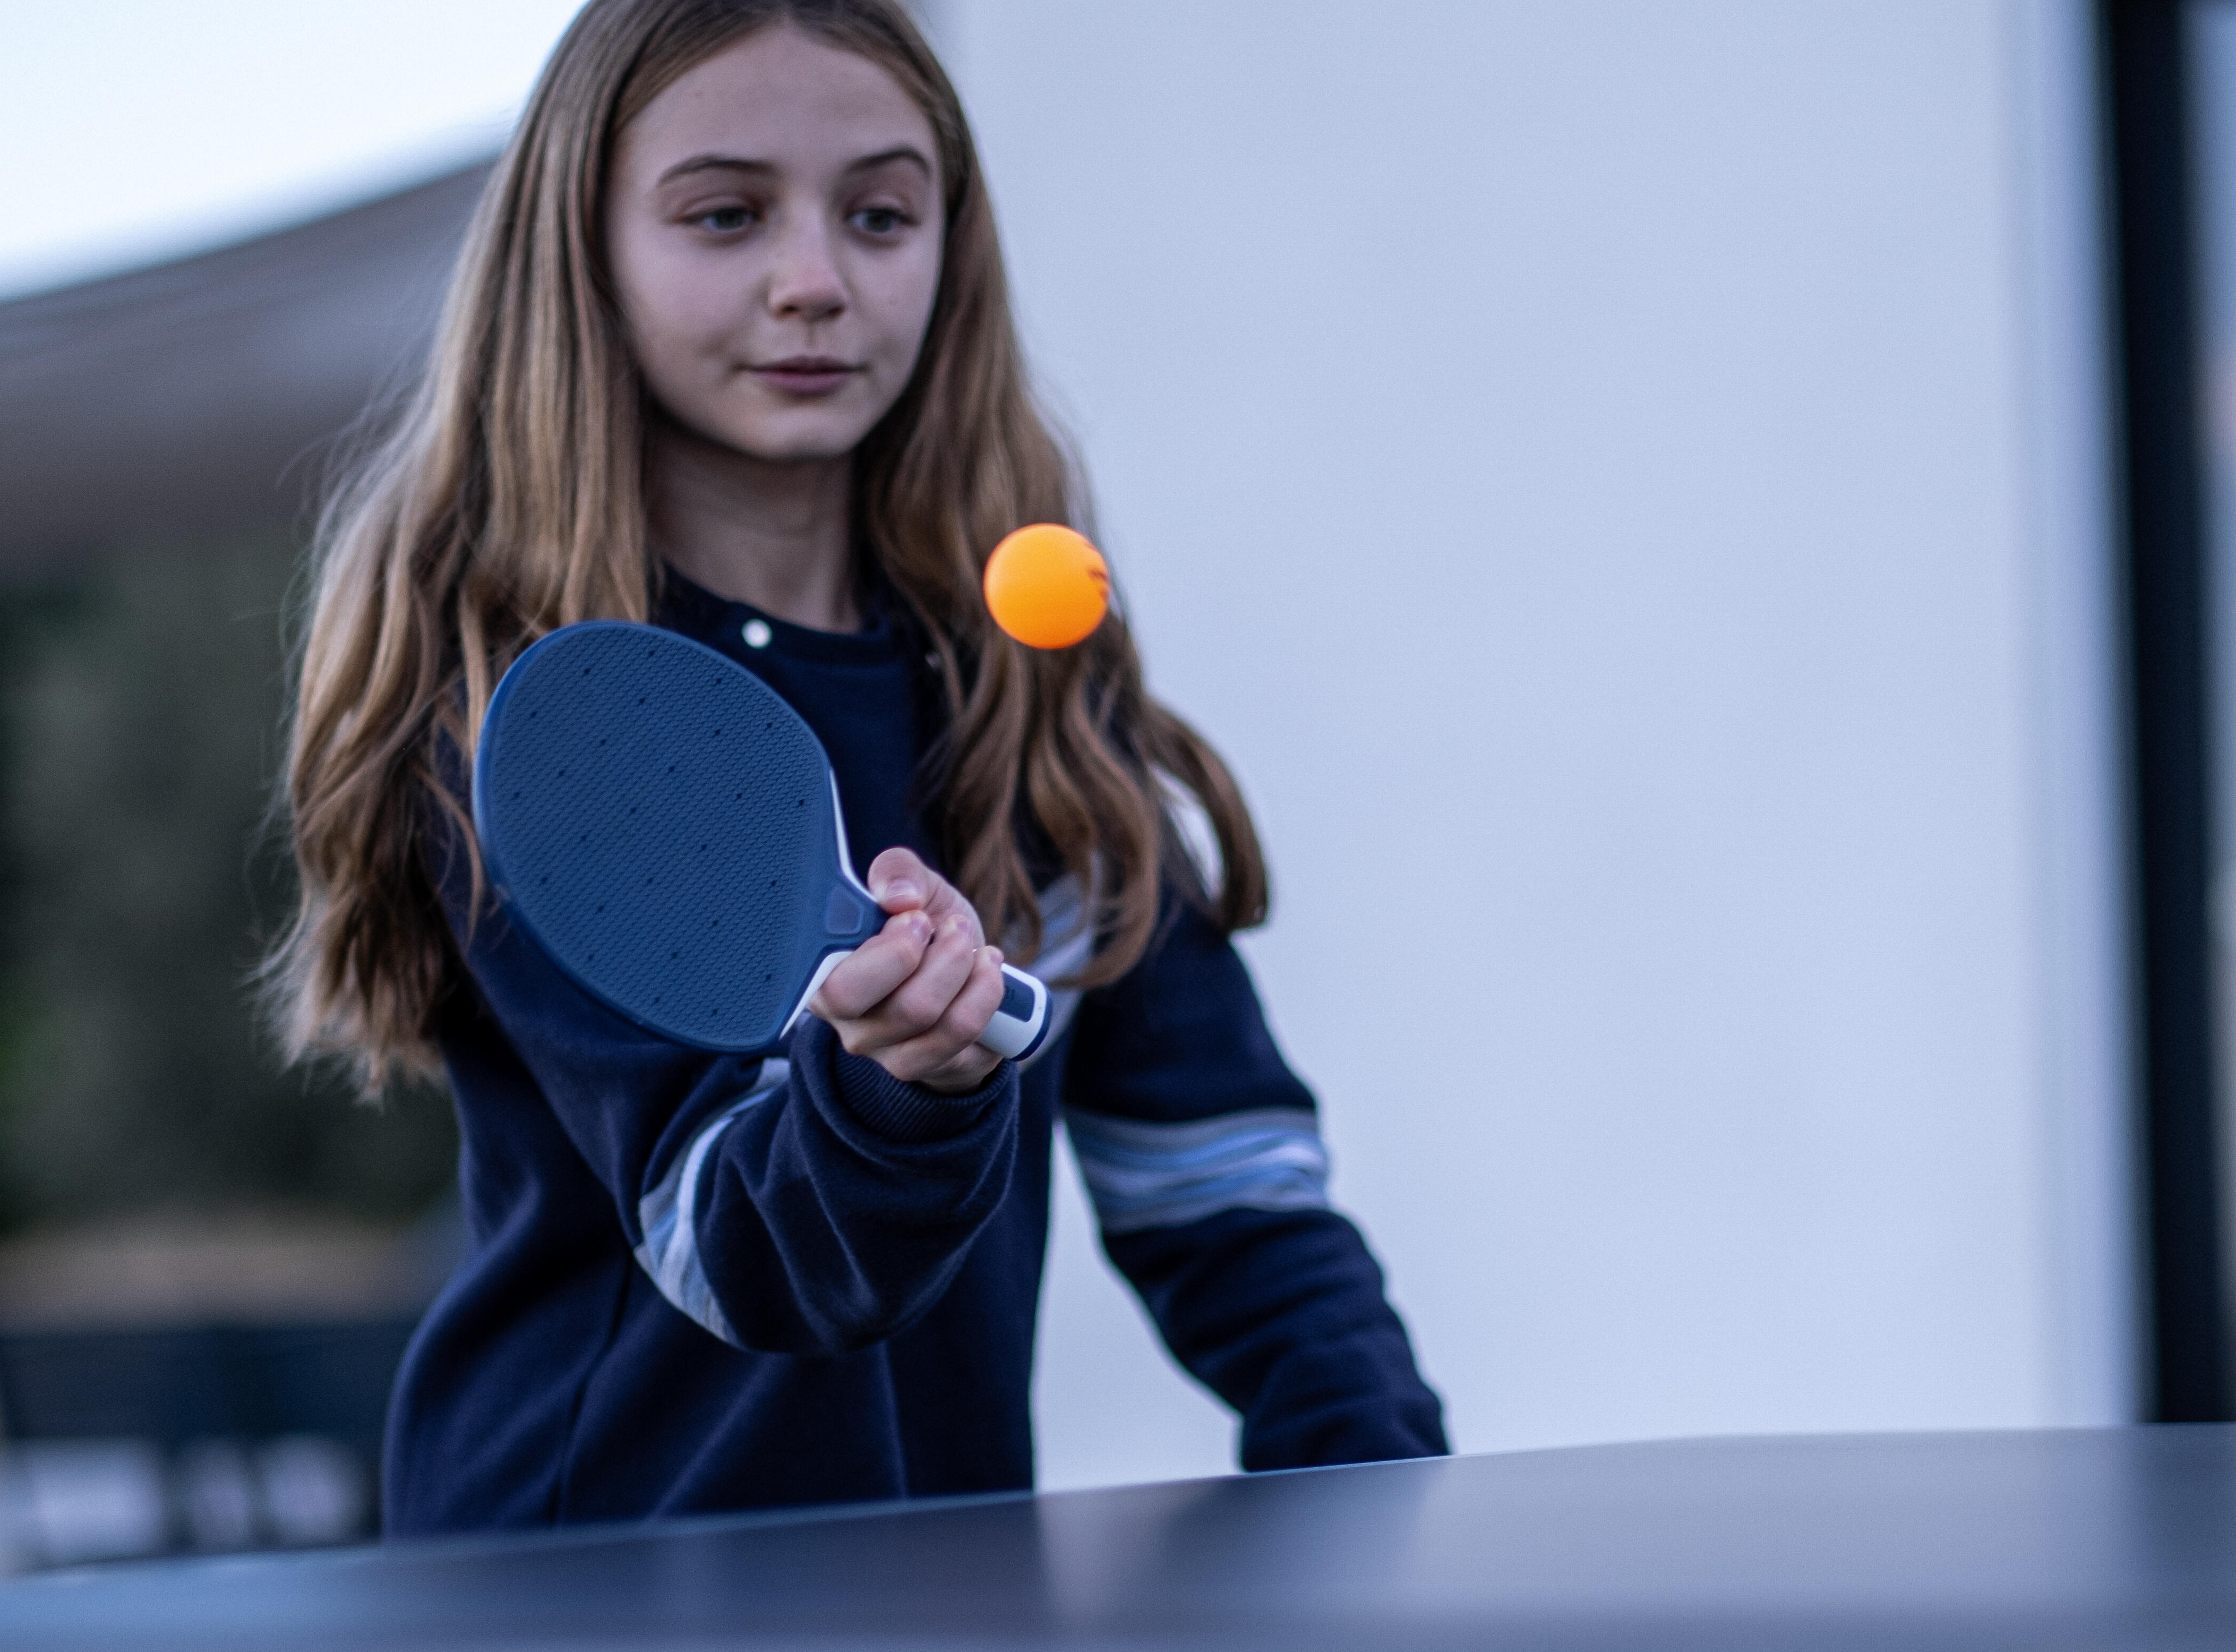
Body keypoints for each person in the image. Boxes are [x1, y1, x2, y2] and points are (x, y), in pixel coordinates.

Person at [271, 0, 1445, 1534]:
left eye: (880, 213)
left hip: (934, 1597)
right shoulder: (528, 709)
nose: (815, 280)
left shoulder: (1031, 703)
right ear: (582, 254)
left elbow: (1225, 1194)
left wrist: (1388, 1502)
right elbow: (739, 1247)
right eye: (724, 214)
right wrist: (904, 1092)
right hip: (577, 1622)